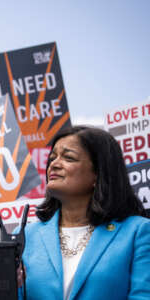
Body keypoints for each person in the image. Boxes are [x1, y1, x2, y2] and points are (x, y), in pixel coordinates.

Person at [14, 125, 150, 300]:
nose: (54, 164)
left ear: (98, 173)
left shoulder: (138, 233)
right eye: (53, 157)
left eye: (68, 158)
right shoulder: (24, 236)